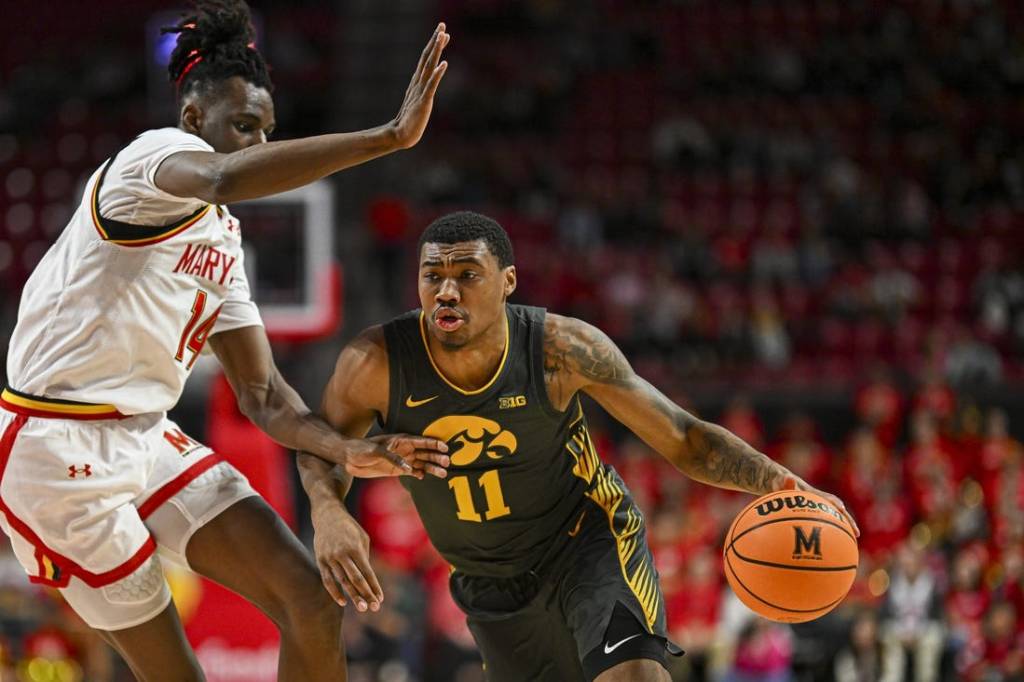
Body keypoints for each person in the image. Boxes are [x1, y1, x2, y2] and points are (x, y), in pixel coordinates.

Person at [0, 1, 452, 680]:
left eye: (267, 132)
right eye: (243, 126)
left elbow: (266, 395)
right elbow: (220, 176)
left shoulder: (222, 240)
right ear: (192, 121)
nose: (259, 145)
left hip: (143, 436)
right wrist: (385, 138)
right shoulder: (150, 160)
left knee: (311, 601)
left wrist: (348, 449)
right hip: (55, 448)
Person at [298, 211, 859, 681]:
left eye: (467, 273)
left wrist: (782, 482)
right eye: (432, 275)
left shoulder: (560, 349)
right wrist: (327, 511)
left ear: (508, 280)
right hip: (488, 580)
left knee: (634, 677)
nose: (446, 289)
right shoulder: (376, 363)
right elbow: (320, 443)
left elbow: (685, 438)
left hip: (585, 543)